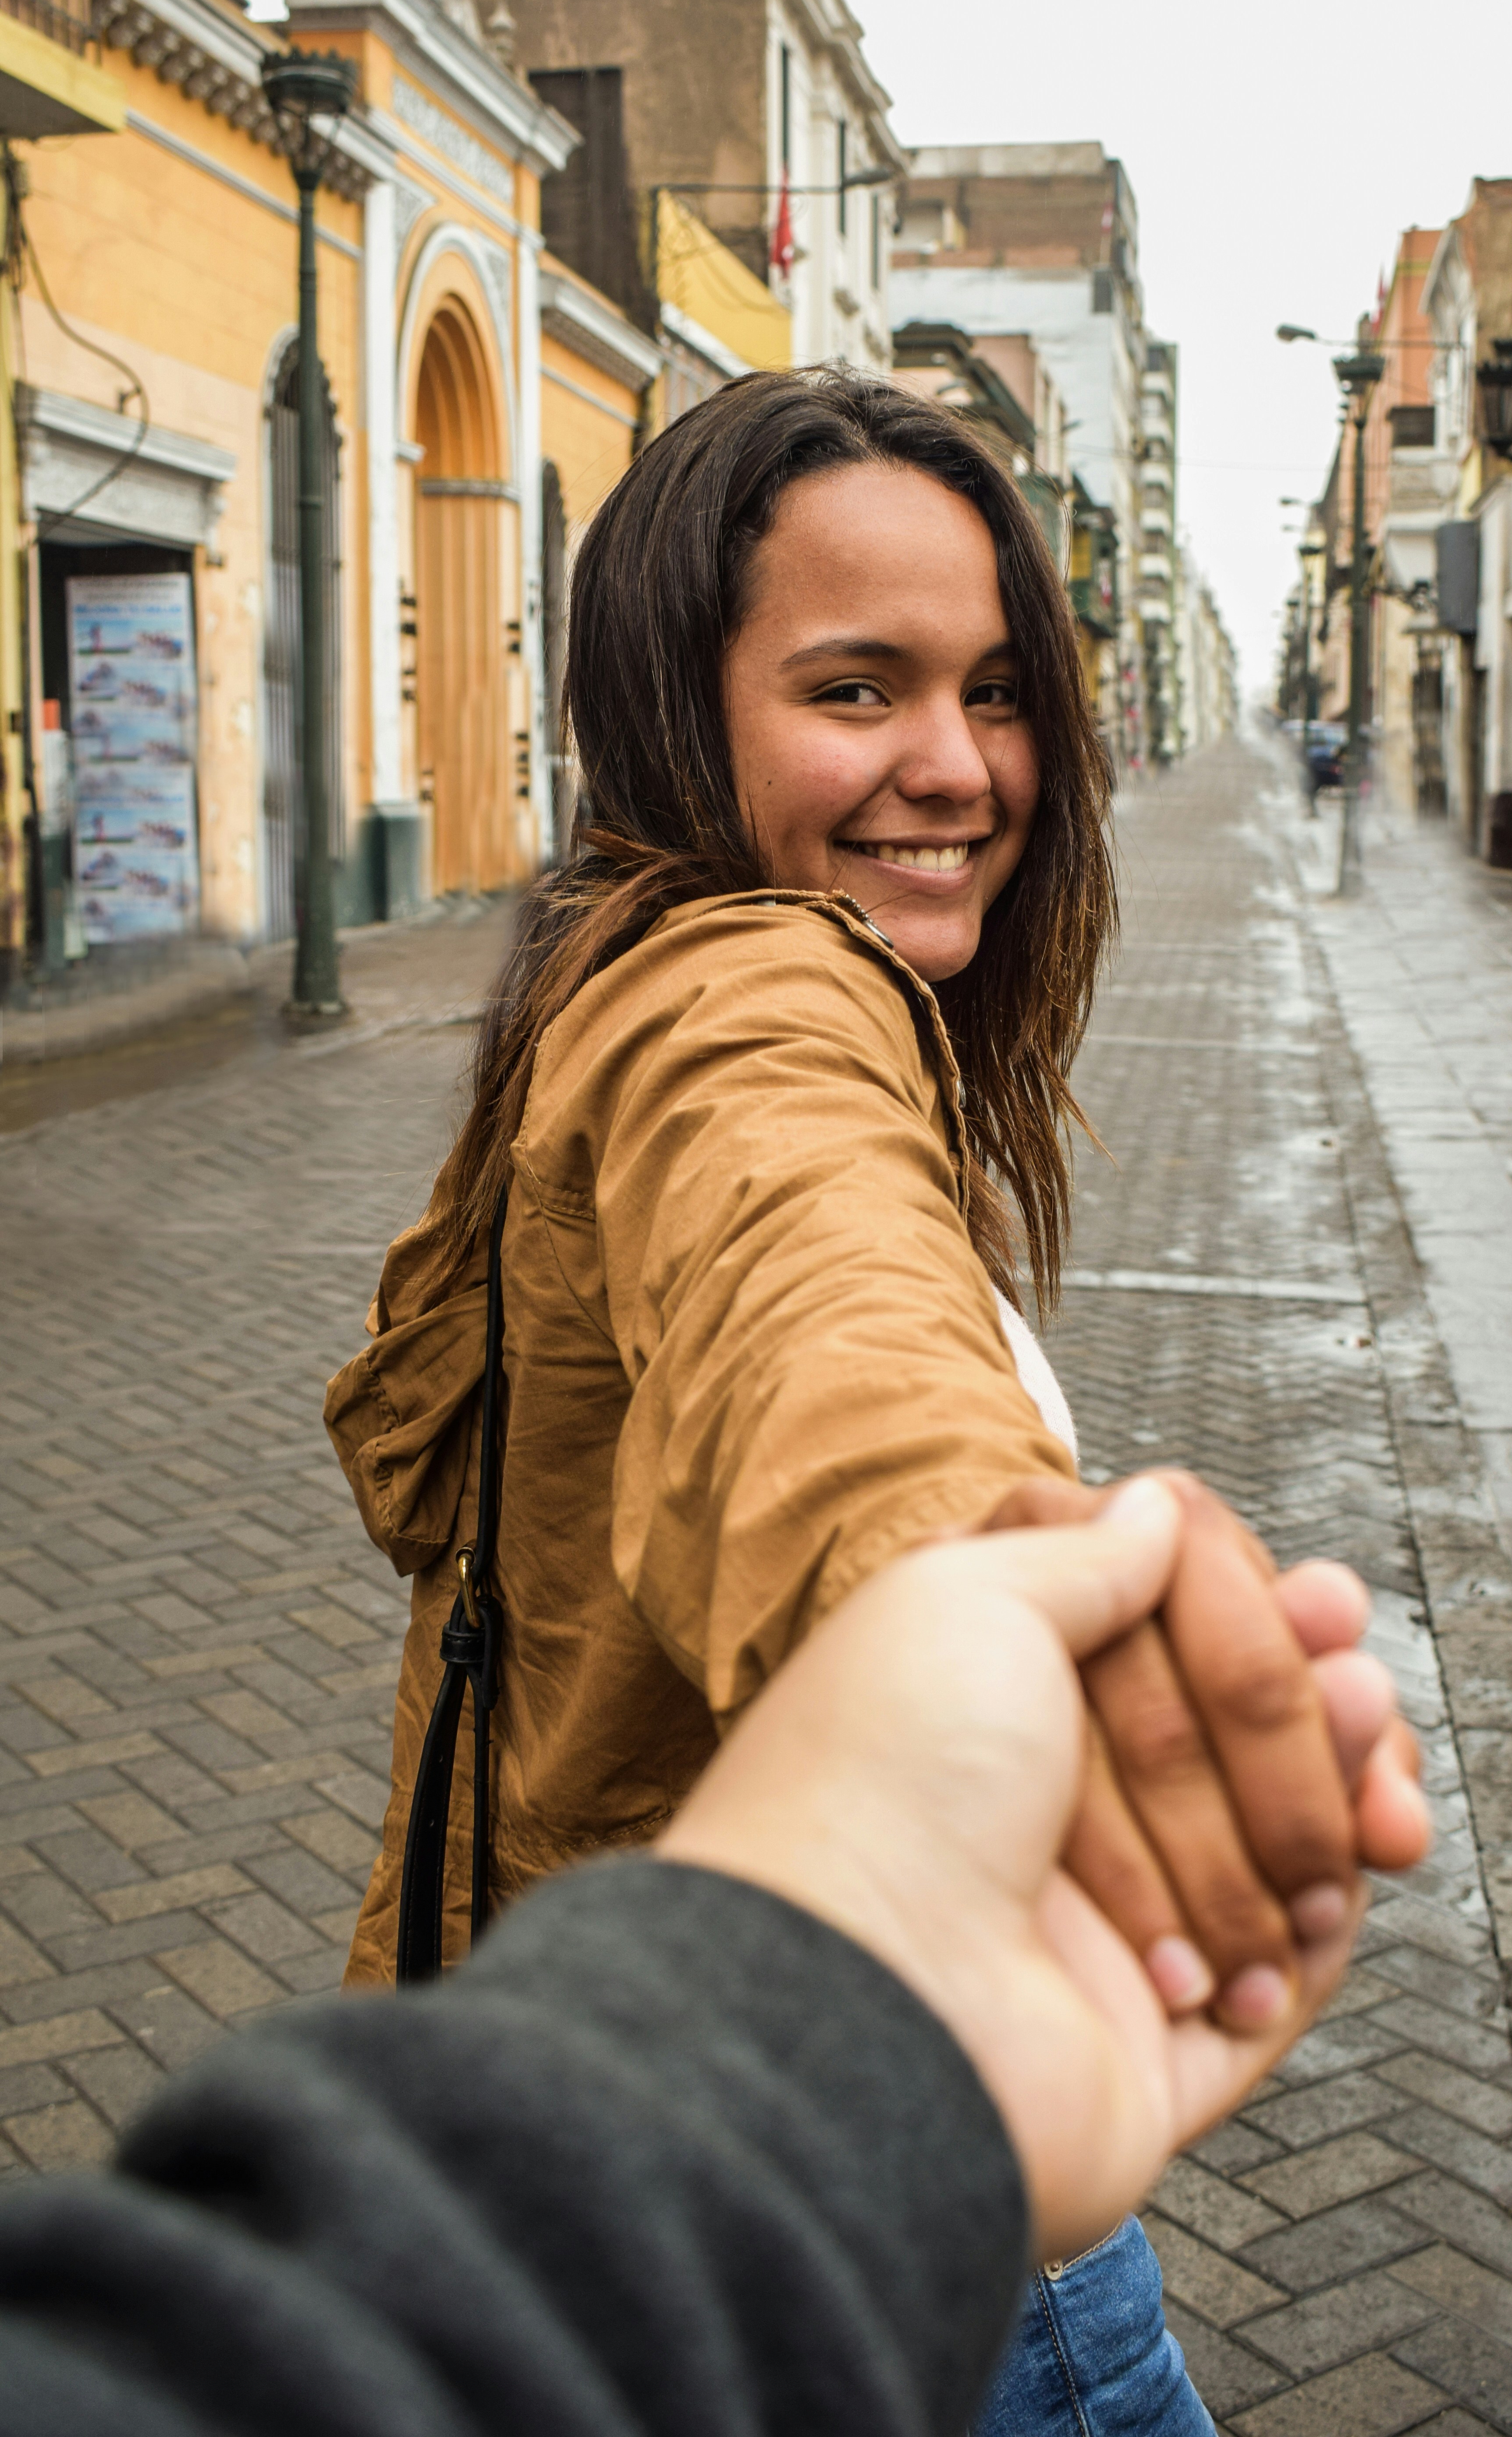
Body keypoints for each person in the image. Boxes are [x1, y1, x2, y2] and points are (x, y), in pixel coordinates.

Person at [326, 370, 1423, 2433]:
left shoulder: (606, 966)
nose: (956, 767)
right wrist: (971, 1605)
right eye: (855, 690)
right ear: (676, 705)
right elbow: (817, 1312)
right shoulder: (741, 1000)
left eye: (996, 691)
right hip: (895, 2182)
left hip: (657, 2110)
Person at [0, 1489, 1426, 2436]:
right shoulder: (701, 1076)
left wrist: (845, 1976)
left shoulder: (746, 1110)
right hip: (791, 2108)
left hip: (767, 2090)